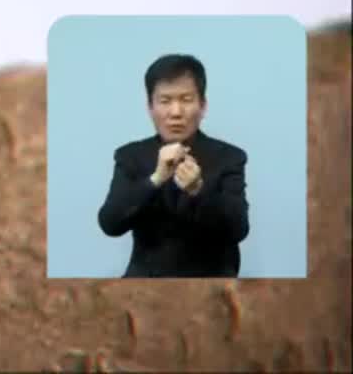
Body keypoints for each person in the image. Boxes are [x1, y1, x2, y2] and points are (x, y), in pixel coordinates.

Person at [96, 53, 250, 277]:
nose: (176, 113)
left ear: (203, 106)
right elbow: (110, 224)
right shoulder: (130, 156)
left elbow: (238, 229)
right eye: (165, 101)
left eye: (186, 100)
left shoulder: (229, 157)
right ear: (150, 107)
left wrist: (198, 190)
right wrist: (155, 179)